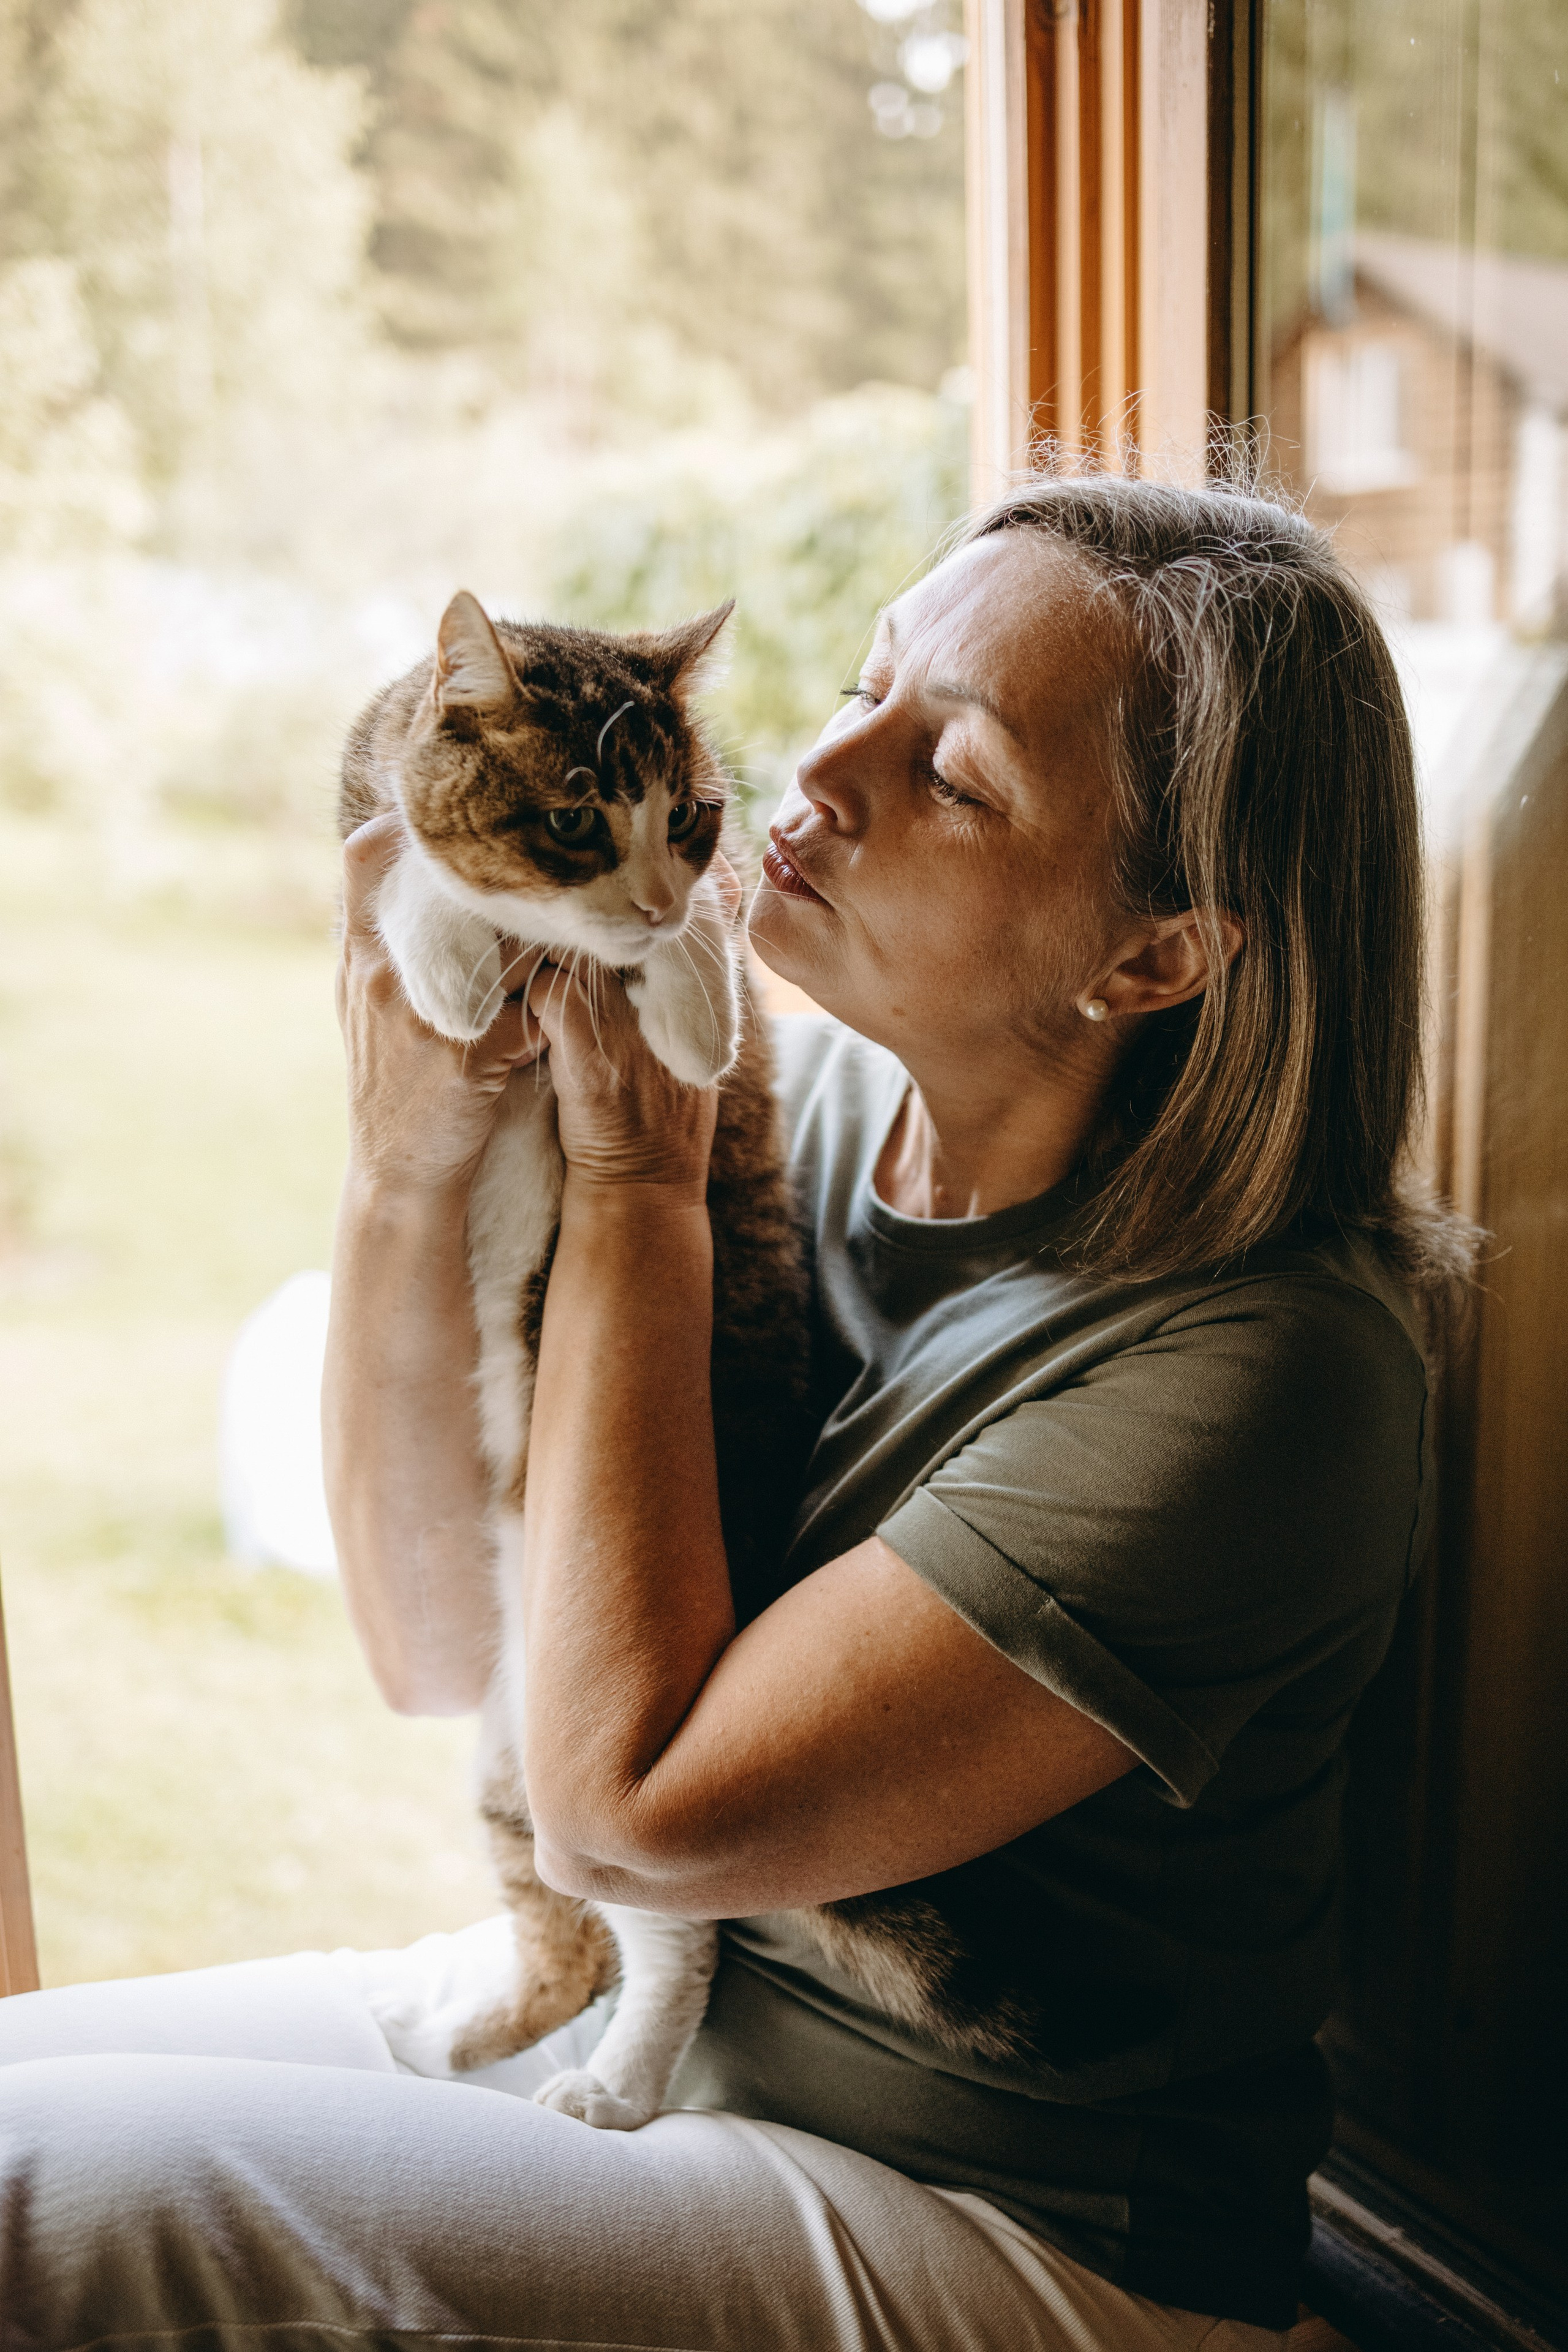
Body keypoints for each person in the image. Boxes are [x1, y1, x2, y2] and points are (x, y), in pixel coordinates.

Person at [0, 475, 1459, 2352]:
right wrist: (405, 1173)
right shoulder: (839, 1129)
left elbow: (624, 1822)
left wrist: (632, 1175)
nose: (820, 774)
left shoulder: (1262, 1380)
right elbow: (433, 1644)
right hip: (656, 2022)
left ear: (1155, 955)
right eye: (865, 683)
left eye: (959, 774)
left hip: (1004, 2216)